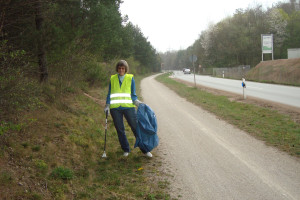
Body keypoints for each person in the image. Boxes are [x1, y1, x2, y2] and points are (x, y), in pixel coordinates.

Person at [104, 60, 153, 158]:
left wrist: (137, 103)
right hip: (115, 108)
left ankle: (145, 150)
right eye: (119, 68)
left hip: (129, 107)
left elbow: (133, 95)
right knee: (120, 129)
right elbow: (109, 93)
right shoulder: (113, 79)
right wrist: (107, 106)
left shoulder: (130, 78)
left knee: (135, 128)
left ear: (126, 69)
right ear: (117, 69)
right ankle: (126, 149)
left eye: (123, 68)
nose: (121, 70)